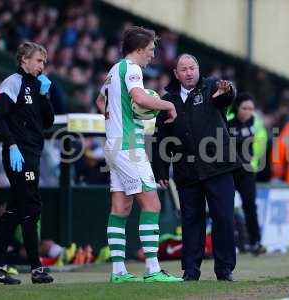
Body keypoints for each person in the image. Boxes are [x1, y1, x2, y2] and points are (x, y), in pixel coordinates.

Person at [96, 26, 182, 283]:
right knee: (152, 204)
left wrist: (119, 118)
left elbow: (101, 102)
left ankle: (119, 272)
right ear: (139, 49)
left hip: (113, 144)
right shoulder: (132, 69)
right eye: (151, 50)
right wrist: (168, 104)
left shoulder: (114, 71)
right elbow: (139, 97)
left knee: (121, 207)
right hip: (128, 146)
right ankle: (153, 269)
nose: (152, 56)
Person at [152, 53, 239, 281]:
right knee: (191, 222)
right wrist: (160, 169)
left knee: (224, 219)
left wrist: (226, 93)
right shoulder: (168, 100)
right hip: (187, 171)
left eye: (192, 67)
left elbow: (226, 98)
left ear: (198, 69)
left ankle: (224, 269)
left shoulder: (212, 87)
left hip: (218, 166)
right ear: (176, 74)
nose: (189, 72)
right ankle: (191, 270)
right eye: (184, 69)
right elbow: (162, 137)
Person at [0, 41, 54, 284]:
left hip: (33, 154)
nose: (42, 66)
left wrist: (44, 94)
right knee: (31, 207)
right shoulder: (13, 82)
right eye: (38, 60)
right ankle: (37, 268)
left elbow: (47, 122)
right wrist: (12, 144)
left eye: (44, 62)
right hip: (18, 155)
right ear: (24, 60)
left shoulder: (37, 86)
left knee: (14, 211)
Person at [227, 92, 267, 255]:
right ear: (237, 108)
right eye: (245, 108)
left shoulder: (256, 122)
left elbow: (261, 142)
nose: (248, 112)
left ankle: (255, 242)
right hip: (228, 171)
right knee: (226, 208)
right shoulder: (227, 120)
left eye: (251, 108)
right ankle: (229, 243)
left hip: (247, 171)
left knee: (250, 206)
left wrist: (253, 163)